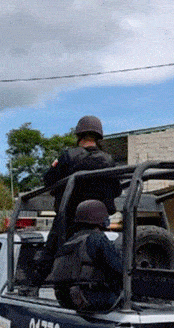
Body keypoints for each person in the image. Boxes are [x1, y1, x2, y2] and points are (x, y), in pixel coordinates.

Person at [39, 115, 122, 276]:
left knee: (51, 250)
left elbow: (49, 180)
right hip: (99, 220)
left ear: (78, 136)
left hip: (70, 218)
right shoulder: (108, 160)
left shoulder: (68, 156)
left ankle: (34, 284)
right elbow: (116, 189)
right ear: (98, 137)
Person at [44, 200, 124, 311]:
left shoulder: (70, 241)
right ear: (101, 220)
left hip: (66, 300)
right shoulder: (97, 239)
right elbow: (119, 270)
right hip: (90, 298)